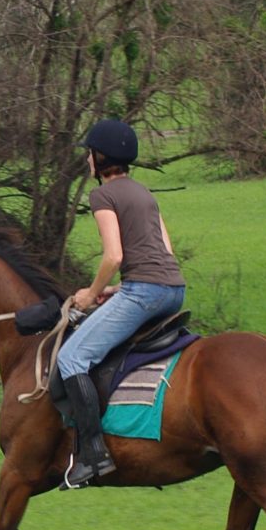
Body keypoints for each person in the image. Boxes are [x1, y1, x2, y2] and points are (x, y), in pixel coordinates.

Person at [54, 119, 184, 489]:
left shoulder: (103, 196)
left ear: (99, 158)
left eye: (89, 154)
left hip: (144, 291)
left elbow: (113, 255)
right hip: (172, 289)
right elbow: (166, 253)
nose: (87, 161)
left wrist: (92, 294)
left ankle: (93, 454)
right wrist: (118, 290)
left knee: (71, 358)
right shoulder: (145, 194)